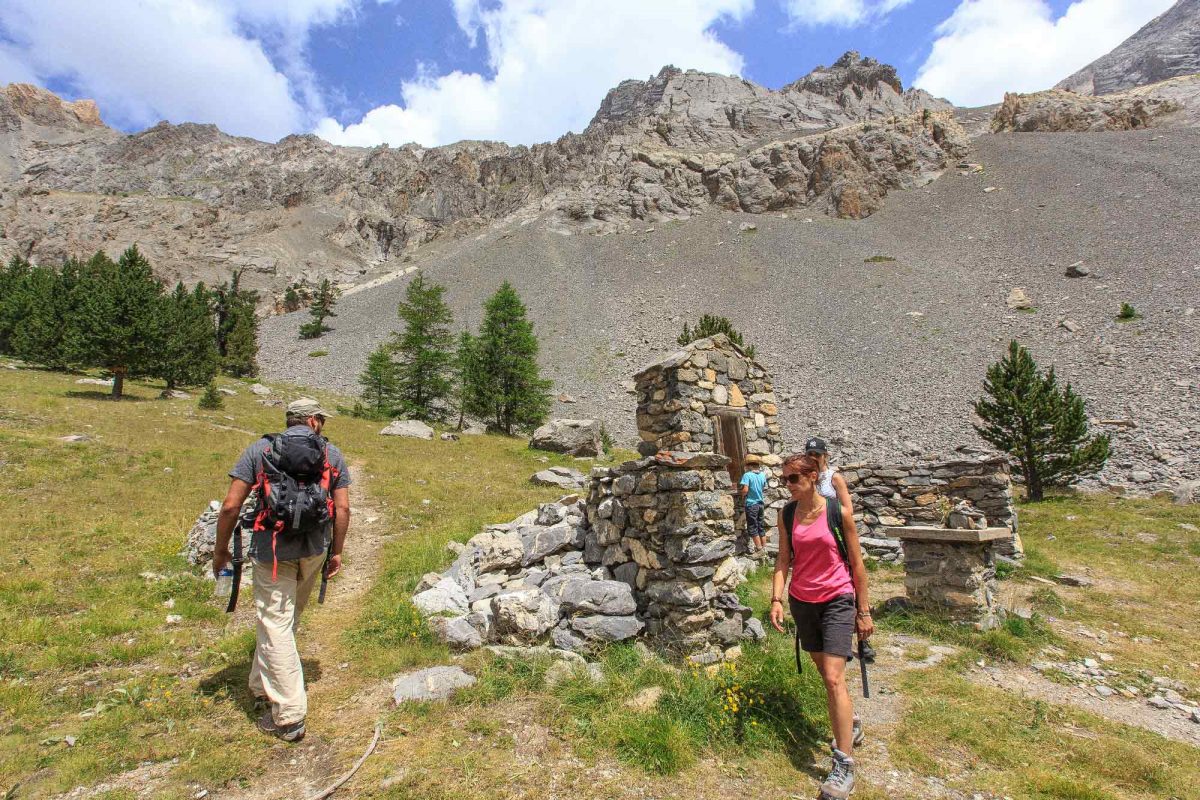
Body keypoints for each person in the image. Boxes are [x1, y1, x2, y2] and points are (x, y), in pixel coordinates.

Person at [213, 398, 352, 743]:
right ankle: (262, 687)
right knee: (284, 620)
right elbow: (344, 509)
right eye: (322, 419)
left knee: (275, 620)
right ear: (313, 421)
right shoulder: (331, 454)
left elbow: (231, 505)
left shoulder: (260, 449)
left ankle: (289, 716)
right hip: (315, 549)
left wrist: (220, 550)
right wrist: (336, 552)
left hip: (271, 549)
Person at [769, 453, 872, 800]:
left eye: (793, 479)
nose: (788, 486)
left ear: (813, 477)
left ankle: (844, 765)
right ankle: (851, 720)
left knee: (832, 676)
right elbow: (784, 559)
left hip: (837, 598)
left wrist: (864, 610)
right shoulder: (785, 515)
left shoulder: (836, 513)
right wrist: (776, 599)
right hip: (803, 600)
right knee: (823, 670)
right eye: (785, 480)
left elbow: (857, 564)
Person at [739, 453, 769, 553]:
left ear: (749, 465)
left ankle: (759, 549)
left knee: (752, 526)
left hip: (751, 504)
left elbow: (745, 489)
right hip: (760, 504)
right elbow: (763, 487)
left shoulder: (747, 475)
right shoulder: (762, 475)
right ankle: (764, 547)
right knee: (760, 525)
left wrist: (742, 495)